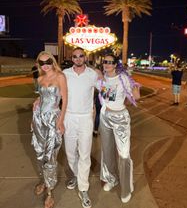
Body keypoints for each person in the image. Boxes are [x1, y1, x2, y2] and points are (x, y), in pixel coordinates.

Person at [97, 54, 139, 204]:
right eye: (105, 62)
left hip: (120, 118)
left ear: (115, 64)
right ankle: (112, 179)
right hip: (104, 117)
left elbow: (136, 96)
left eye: (110, 62)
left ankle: (126, 188)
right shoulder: (101, 79)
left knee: (123, 154)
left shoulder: (123, 78)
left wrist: (134, 85)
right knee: (107, 150)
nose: (107, 64)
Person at [63, 47, 101, 208]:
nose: (78, 58)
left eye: (81, 56)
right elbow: (55, 92)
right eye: (75, 56)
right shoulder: (65, 74)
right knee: (70, 153)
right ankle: (77, 176)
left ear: (85, 57)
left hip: (85, 119)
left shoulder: (92, 74)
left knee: (84, 155)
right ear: (72, 59)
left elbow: (106, 91)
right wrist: (39, 100)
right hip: (68, 118)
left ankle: (83, 188)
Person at [31, 51, 67, 208]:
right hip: (38, 119)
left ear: (53, 62)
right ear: (38, 64)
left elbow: (64, 99)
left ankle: (50, 192)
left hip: (53, 119)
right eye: (41, 63)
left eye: (47, 62)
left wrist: (61, 121)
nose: (45, 65)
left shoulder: (60, 77)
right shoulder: (39, 78)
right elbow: (42, 96)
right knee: (39, 153)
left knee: (51, 155)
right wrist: (36, 101)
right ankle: (44, 181)